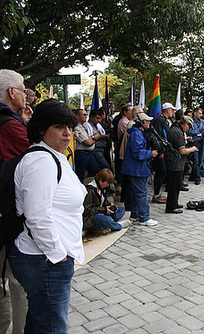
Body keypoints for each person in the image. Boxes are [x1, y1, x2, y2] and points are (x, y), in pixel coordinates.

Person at [8, 99, 88, 333]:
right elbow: (37, 217)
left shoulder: (51, 156)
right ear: (41, 129)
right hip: (43, 259)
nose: (67, 134)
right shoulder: (41, 161)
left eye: (70, 128)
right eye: (59, 127)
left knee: (40, 323)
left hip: (47, 259)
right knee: (52, 327)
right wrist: (58, 256)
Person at [0, 69, 30, 334]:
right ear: (11, 92)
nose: (26, 95)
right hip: (7, 212)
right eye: (22, 90)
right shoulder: (9, 125)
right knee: (16, 281)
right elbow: (33, 158)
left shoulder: (11, 121)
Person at [121, 113, 159, 226]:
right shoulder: (137, 135)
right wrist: (150, 153)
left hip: (136, 168)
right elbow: (138, 153)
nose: (149, 123)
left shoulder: (137, 134)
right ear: (141, 123)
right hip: (136, 169)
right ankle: (144, 218)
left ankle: (135, 215)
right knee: (141, 193)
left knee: (136, 193)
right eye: (147, 121)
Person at [165, 116, 198, 214]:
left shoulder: (176, 130)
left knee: (176, 185)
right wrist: (192, 149)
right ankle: (171, 207)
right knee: (174, 186)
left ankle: (174, 203)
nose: (188, 129)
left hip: (175, 162)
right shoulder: (177, 132)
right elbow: (182, 150)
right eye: (189, 126)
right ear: (185, 124)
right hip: (175, 163)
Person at [83, 169, 128, 234]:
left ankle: (110, 223)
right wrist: (104, 210)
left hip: (101, 212)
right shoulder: (90, 190)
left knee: (121, 210)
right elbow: (87, 210)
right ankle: (117, 225)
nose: (107, 186)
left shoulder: (102, 188)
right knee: (105, 220)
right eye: (106, 183)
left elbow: (102, 202)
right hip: (91, 217)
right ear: (101, 180)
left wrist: (110, 206)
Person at [187, 108, 204, 185]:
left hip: (201, 142)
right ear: (195, 113)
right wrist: (200, 131)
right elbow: (190, 131)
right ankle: (197, 178)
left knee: (201, 160)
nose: (200, 115)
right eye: (199, 113)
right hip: (194, 142)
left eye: (201, 113)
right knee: (196, 161)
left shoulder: (203, 122)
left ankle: (192, 176)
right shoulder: (190, 121)